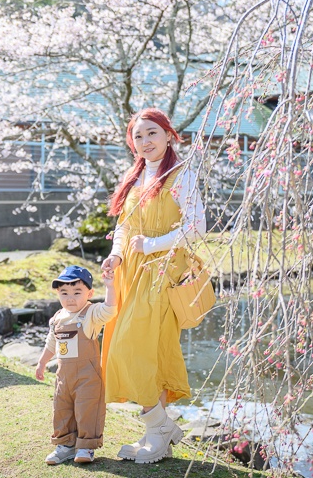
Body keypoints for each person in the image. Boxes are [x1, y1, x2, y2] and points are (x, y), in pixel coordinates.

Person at [100, 108, 207, 464]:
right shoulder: (134, 176)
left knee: (131, 347)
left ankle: (159, 430)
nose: (145, 141)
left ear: (168, 134)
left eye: (152, 133)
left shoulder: (181, 173)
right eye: (139, 136)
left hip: (163, 271)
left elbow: (196, 228)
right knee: (151, 350)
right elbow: (125, 227)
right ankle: (156, 433)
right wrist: (115, 255)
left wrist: (152, 245)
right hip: (132, 270)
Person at [35, 264, 117, 465]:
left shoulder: (90, 313)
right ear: (58, 294)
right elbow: (51, 343)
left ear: (89, 293)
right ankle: (65, 445)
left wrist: (111, 286)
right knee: (62, 409)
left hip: (88, 377)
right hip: (64, 376)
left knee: (87, 409)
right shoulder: (57, 318)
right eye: (64, 293)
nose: (70, 298)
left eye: (77, 292)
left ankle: (86, 446)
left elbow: (110, 310)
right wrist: (42, 363)